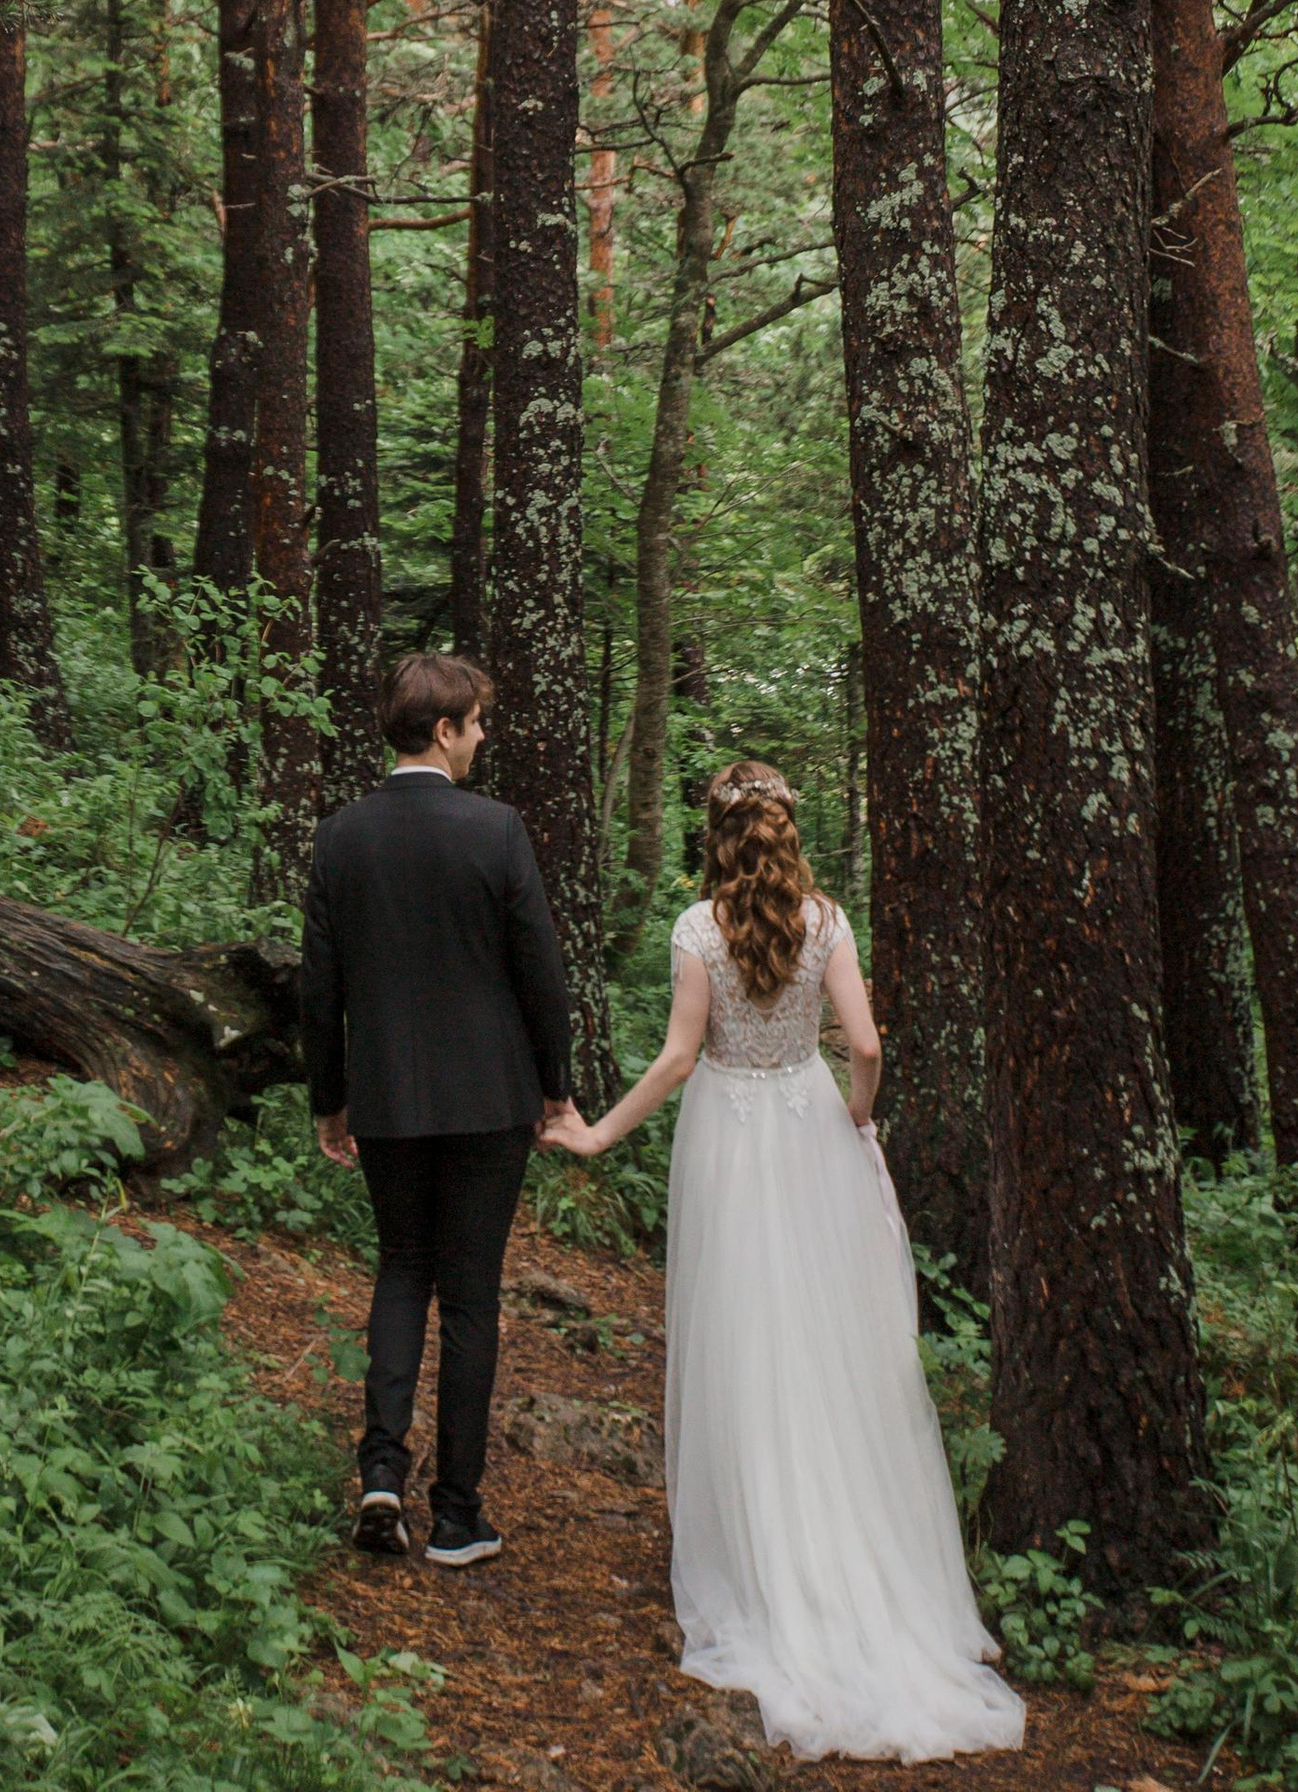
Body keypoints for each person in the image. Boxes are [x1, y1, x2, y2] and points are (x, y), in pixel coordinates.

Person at [544, 761, 1024, 1763]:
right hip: (810, 1130)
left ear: (716, 837)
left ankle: (758, 1556)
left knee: (743, 1336)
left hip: (726, 1135)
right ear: (786, 832)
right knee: (831, 1345)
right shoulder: (829, 923)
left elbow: (678, 1059)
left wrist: (598, 1136)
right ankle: (851, 1556)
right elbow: (868, 1044)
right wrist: (854, 1115)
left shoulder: (694, 931)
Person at [300, 651, 575, 1569]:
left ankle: (381, 1473)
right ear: (445, 729)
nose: (483, 738)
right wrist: (555, 1082)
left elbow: (321, 985)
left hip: (386, 1095)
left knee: (400, 1271)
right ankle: (457, 1514)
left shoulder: (340, 836)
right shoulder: (496, 831)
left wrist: (329, 1099)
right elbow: (540, 967)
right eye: (477, 723)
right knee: (470, 1295)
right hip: (490, 1097)